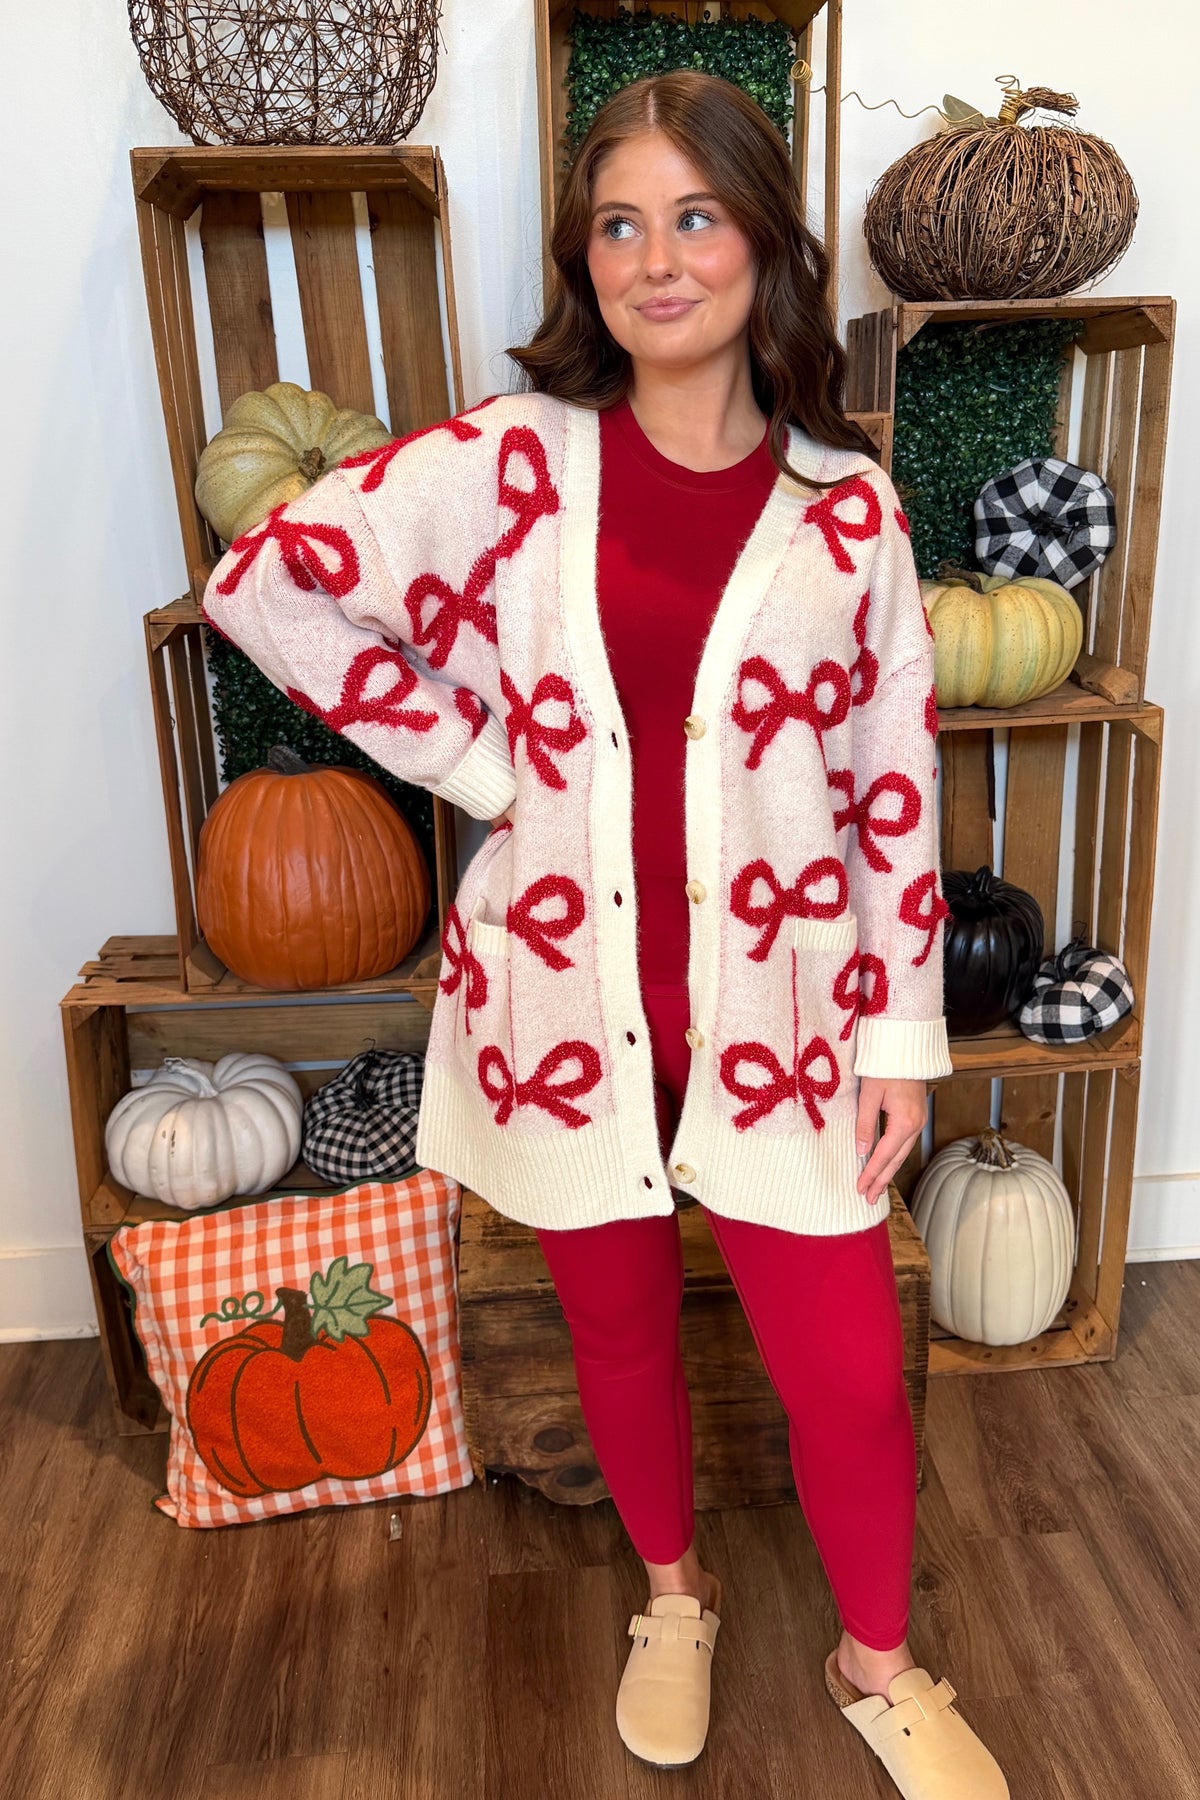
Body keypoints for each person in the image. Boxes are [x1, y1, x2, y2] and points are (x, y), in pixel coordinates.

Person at [201, 67, 1008, 1800]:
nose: (656, 260)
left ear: (762, 242)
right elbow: (265, 580)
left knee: (850, 1380)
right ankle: (673, 1596)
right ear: (586, 260)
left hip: (782, 1015)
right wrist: (480, 763)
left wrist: (898, 1039)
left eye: (695, 218)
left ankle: (878, 1662)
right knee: (621, 1335)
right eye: (619, 225)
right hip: (564, 1001)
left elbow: (892, 782)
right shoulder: (514, 467)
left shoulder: (845, 512)